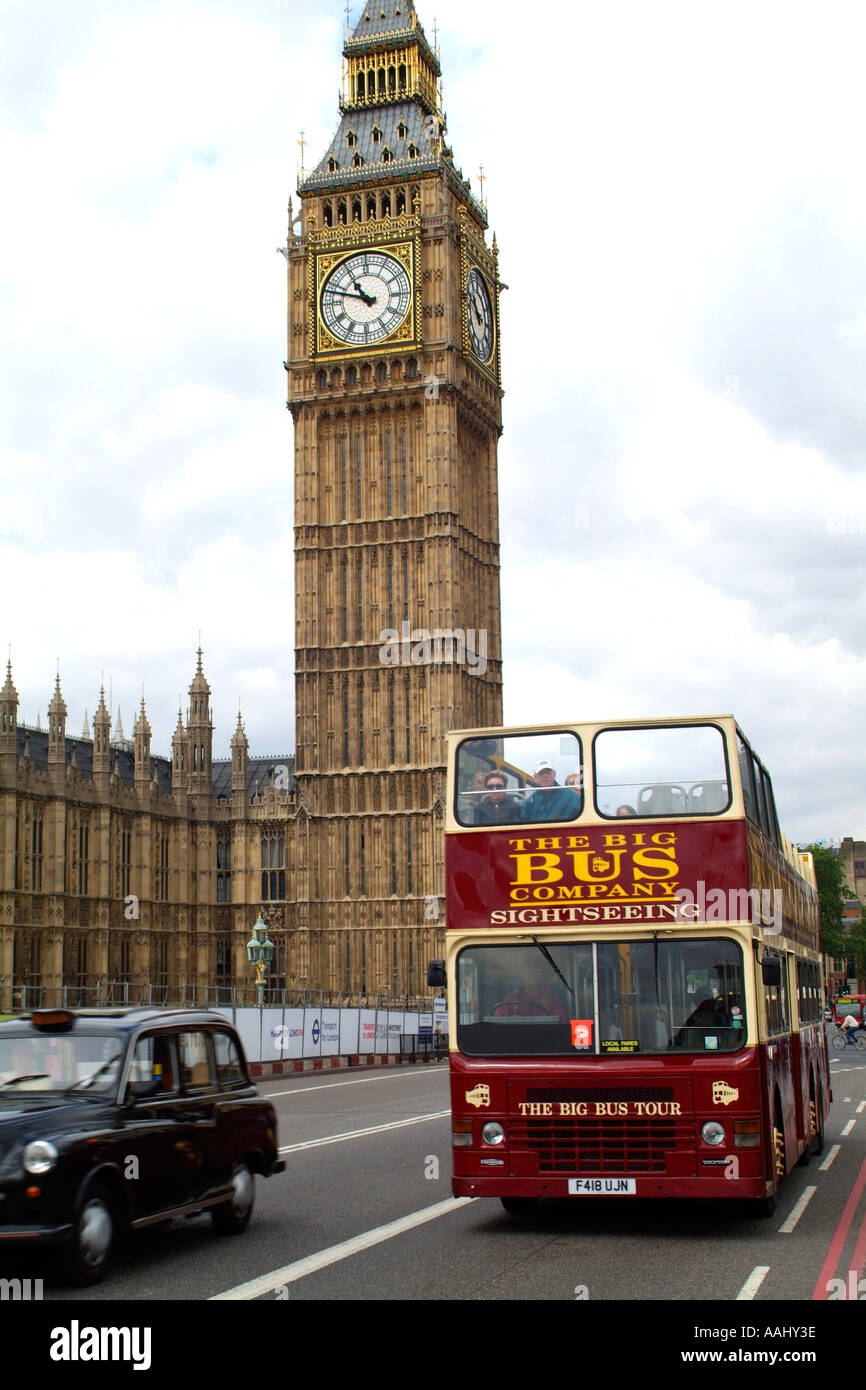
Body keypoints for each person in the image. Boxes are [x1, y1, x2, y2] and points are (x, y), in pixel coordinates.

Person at [492, 956, 570, 1024]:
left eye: (535, 970)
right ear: (521, 974)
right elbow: (497, 1022)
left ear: (542, 974)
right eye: (527, 971)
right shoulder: (511, 1000)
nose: (532, 974)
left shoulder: (553, 1000)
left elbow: (561, 1026)